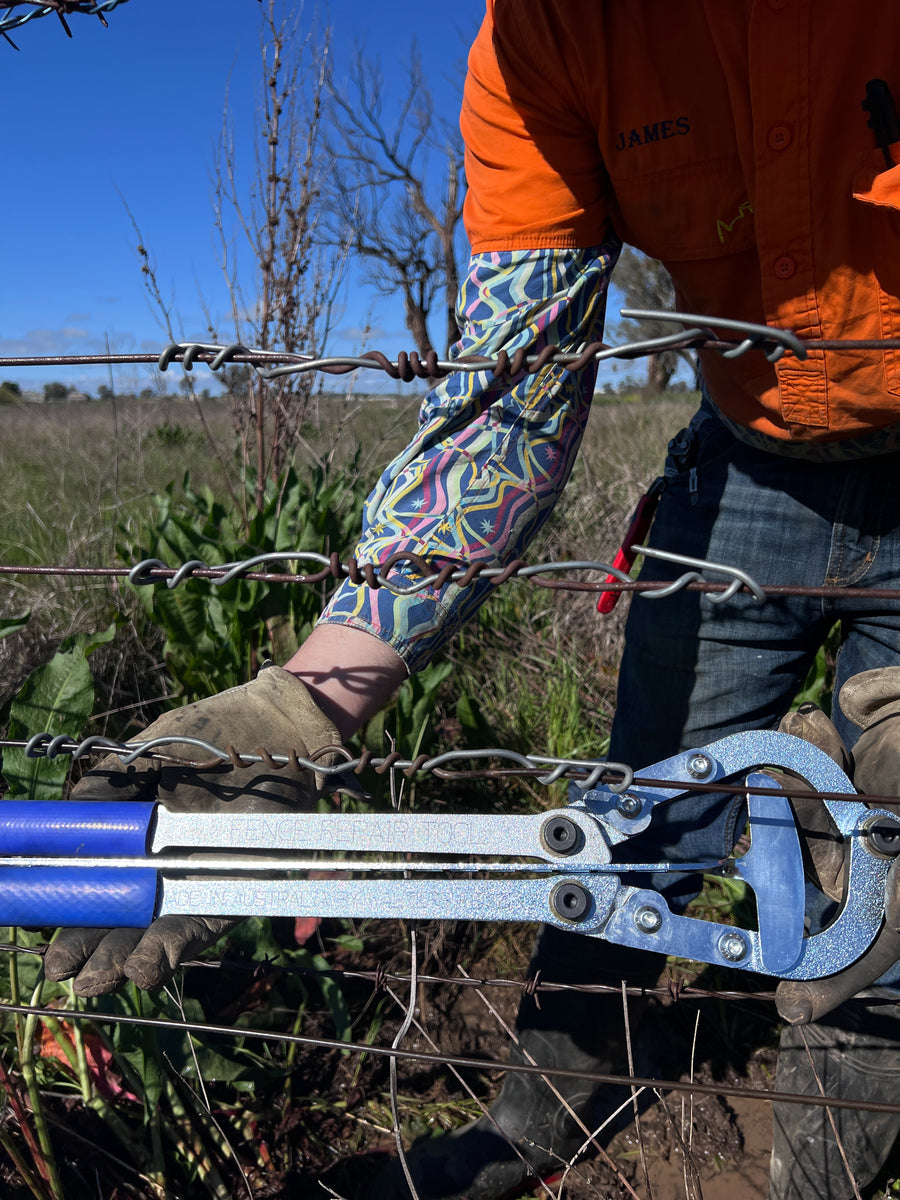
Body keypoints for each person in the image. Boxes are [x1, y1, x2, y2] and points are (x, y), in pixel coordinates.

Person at [44, 2, 900, 1196]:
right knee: (633, 822)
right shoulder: (541, 39)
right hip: (749, 454)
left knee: (894, 882)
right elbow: (514, 397)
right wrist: (304, 702)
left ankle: (830, 1174)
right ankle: (531, 1129)